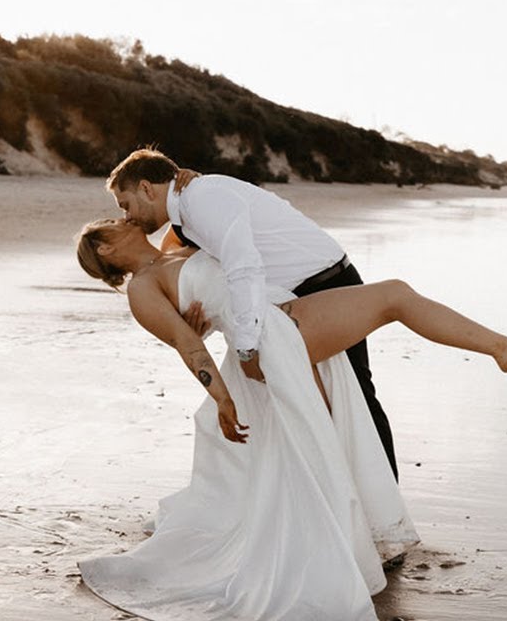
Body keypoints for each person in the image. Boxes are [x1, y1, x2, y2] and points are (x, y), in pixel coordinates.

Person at [74, 218, 507, 621]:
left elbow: (212, 212)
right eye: (111, 225)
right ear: (107, 252)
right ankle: (502, 349)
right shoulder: (141, 289)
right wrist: (223, 399)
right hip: (271, 337)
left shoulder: (175, 243)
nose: (122, 218)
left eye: (120, 211)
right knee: (391, 297)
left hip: (286, 317)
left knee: (325, 437)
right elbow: (189, 345)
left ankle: (350, 537)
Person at [105, 149, 405, 484]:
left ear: (147, 189)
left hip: (325, 280)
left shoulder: (199, 202)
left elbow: (240, 266)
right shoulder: (182, 223)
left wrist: (246, 348)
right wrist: (196, 323)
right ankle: (334, 493)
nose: (127, 217)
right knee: (309, 402)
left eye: (125, 204)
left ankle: (382, 492)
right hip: (283, 305)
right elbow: (191, 283)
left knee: (356, 392)